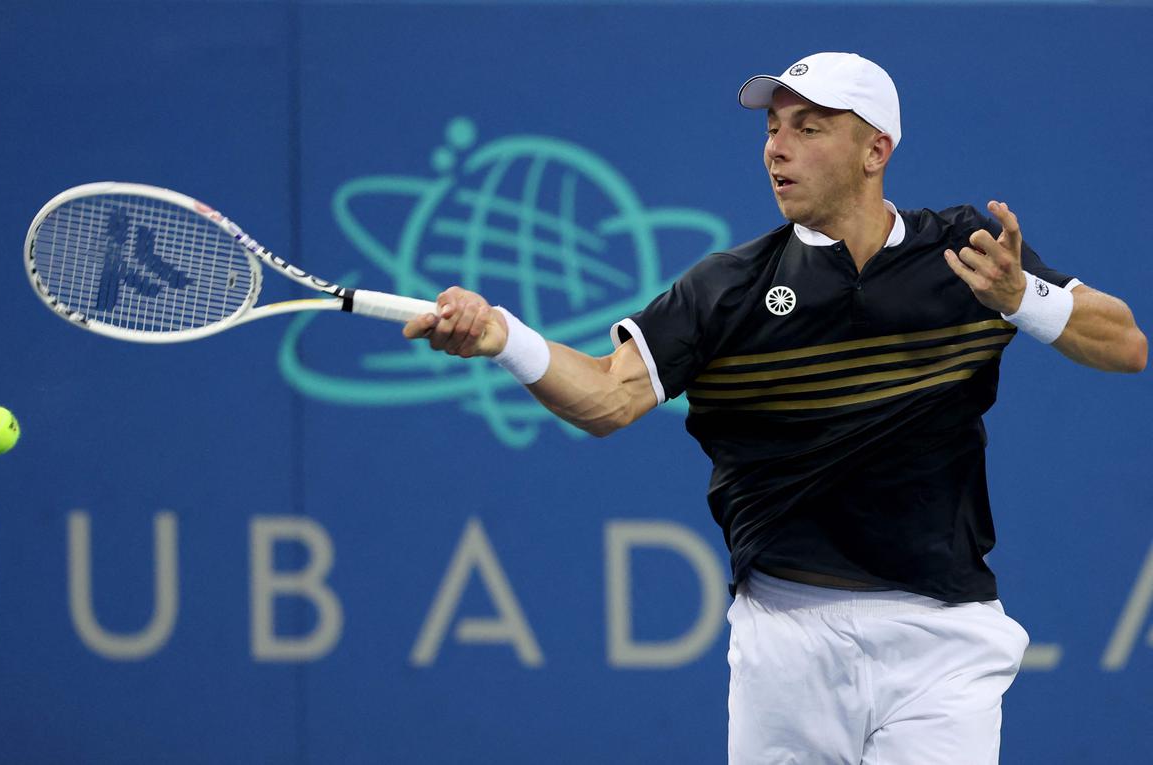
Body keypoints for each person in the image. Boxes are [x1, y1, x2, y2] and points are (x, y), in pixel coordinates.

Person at [402, 52, 1146, 764]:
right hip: (785, 646)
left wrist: (1024, 299)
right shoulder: (727, 289)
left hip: (943, 639)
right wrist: (505, 337)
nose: (776, 149)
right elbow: (607, 395)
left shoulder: (965, 255)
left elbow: (1126, 344)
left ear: (874, 149)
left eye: (807, 128)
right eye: (771, 128)